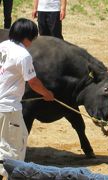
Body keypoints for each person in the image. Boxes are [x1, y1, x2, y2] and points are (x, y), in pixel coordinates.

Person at [0, 18, 54, 179]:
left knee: (8, 139)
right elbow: (33, 81)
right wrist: (46, 93)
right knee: (14, 146)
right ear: (26, 38)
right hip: (8, 107)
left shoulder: (3, 46)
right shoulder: (23, 55)